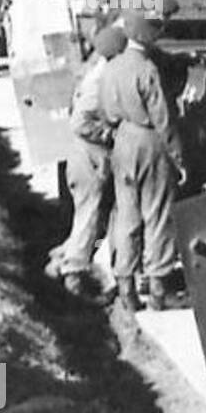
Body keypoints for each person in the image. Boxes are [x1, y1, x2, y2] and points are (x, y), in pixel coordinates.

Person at [99, 14, 186, 312]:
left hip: (122, 139)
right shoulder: (147, 68)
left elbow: (106, 112)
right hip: (149, 140)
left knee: (127, 215)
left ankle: (126, 287)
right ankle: (160, 289)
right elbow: (162, 118)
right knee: (158, 213)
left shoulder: (111, 67)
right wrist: (178, 157)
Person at [54, 23, 128, 297]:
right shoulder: (99, 81)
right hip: (89, 157)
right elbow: (80, 122)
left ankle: (67, 263)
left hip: (87, 156)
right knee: (89, 214)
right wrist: (111, 134)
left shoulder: (96, 73)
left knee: (92, 216)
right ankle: (74, 276)